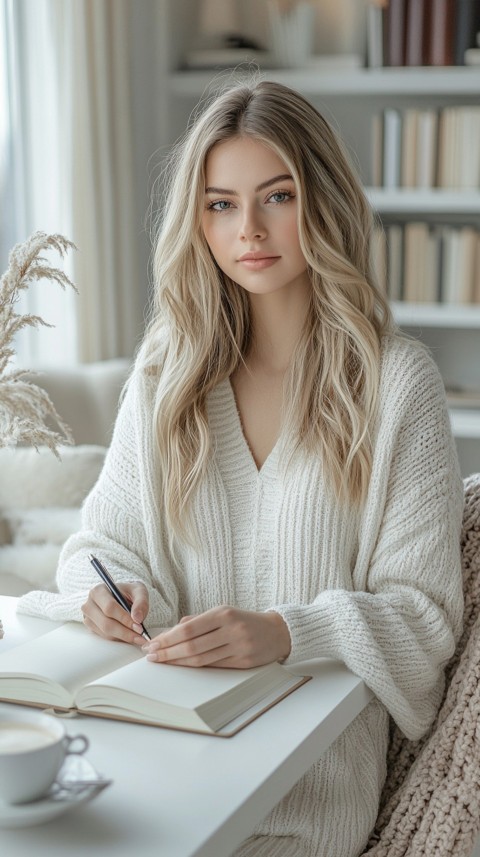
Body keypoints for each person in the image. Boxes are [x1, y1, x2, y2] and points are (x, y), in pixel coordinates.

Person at [18, 79, 464, 857]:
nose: (249, 229)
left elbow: (424, 618)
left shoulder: (397, 385)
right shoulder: (166, 378)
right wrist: (101, 591)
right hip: (153, 773)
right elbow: (99, 545)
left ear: (320, 200)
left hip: (302, 803)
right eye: (221, 203)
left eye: (277, 196)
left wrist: (288, 631)